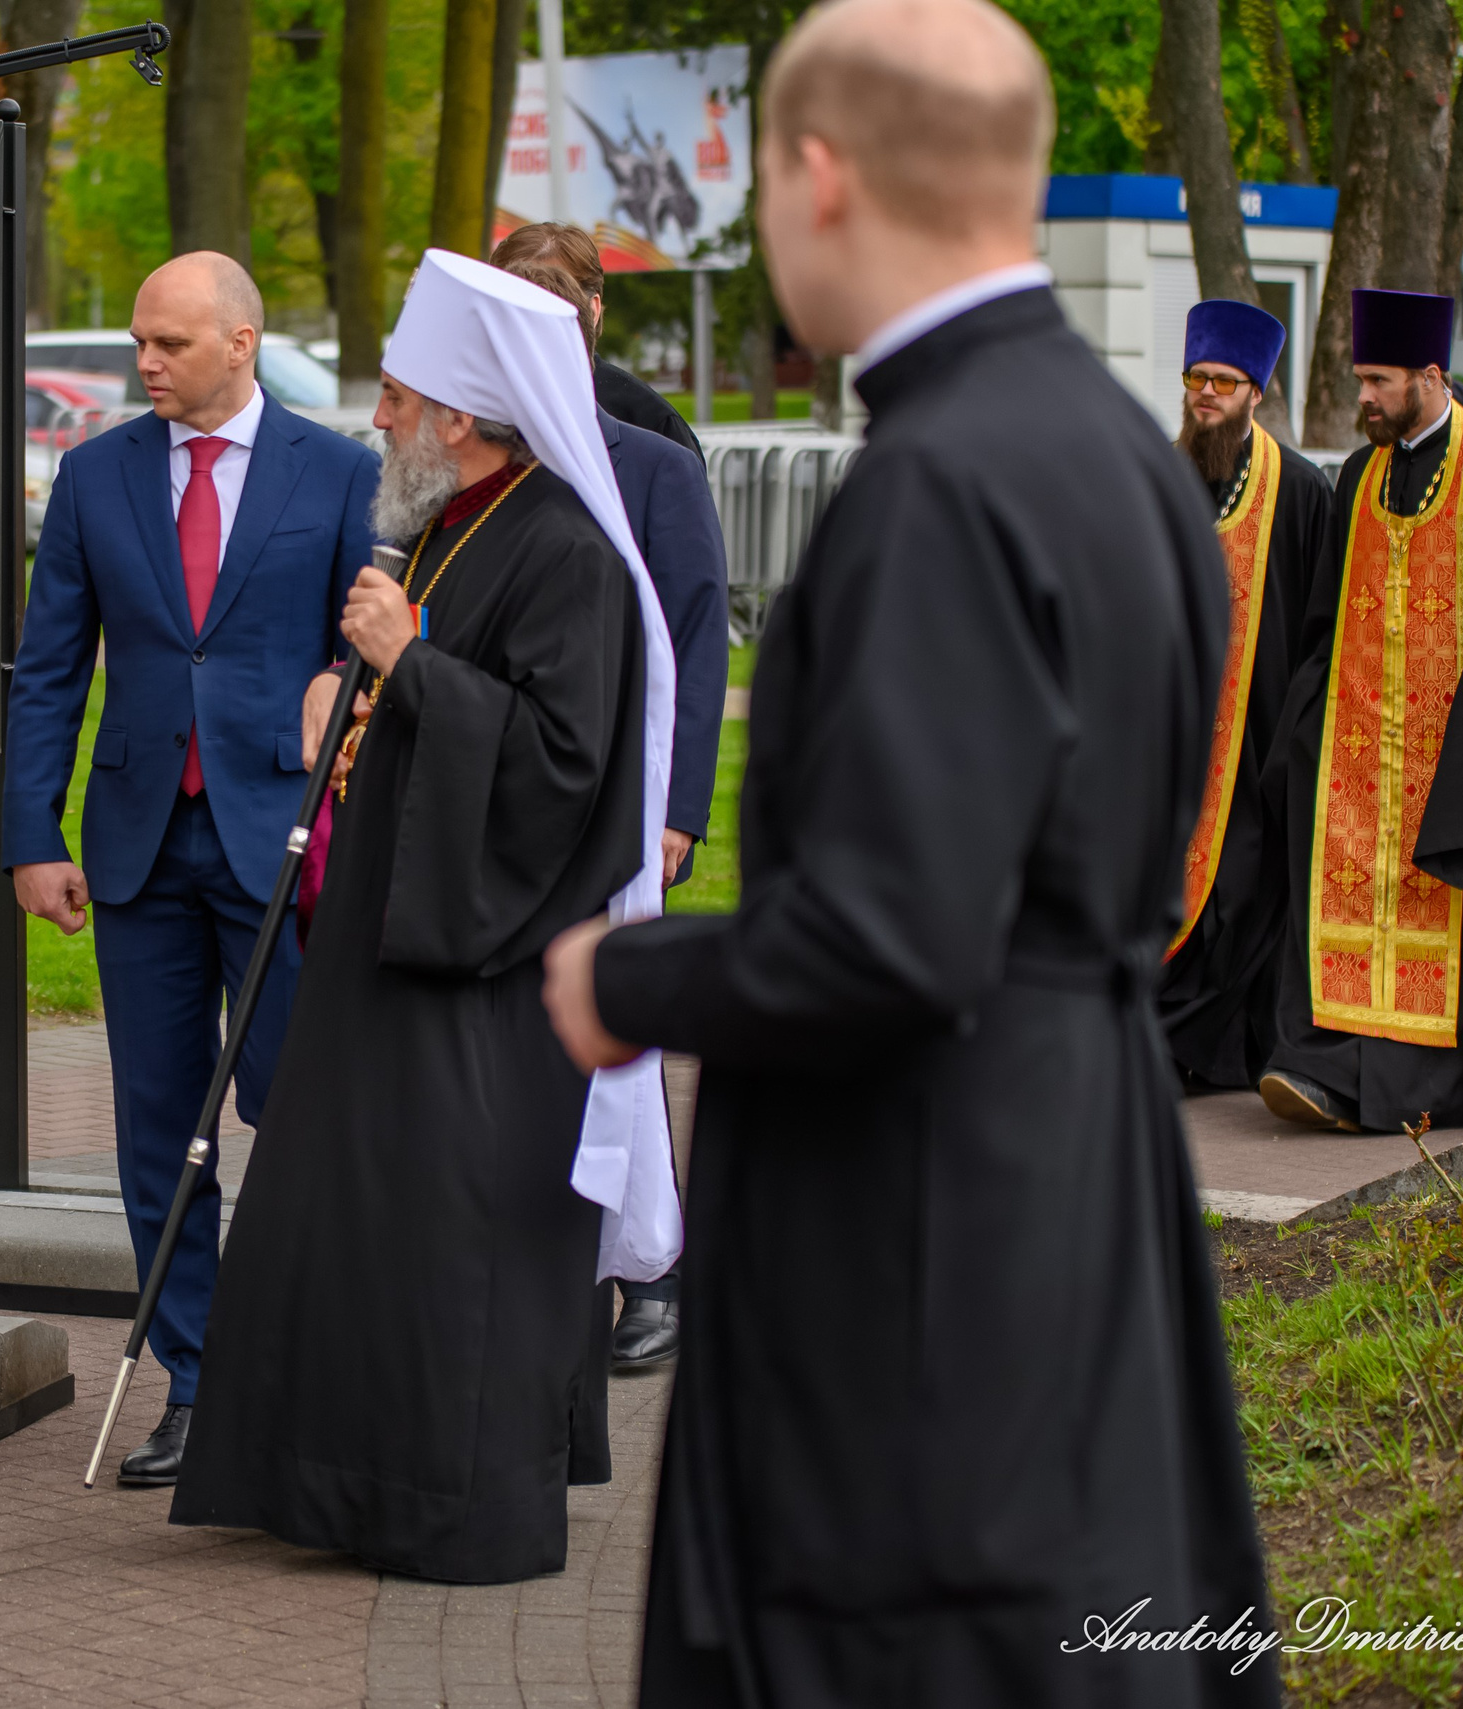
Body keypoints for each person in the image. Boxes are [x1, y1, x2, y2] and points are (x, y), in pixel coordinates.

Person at [538, 0, 1279, 1698]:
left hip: (923, 1235)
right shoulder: (1133, 461)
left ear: (817, 178)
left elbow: (892, 937)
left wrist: (629, 970)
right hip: (1083, 1170)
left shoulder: (936, 481)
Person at [170, 249, 680, 1584]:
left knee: (455, 1246)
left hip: (487, 974)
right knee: (357, 1220)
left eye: (397, 396)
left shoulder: (566, 547)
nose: (379, 419)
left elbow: (561, 768)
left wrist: (413, 666)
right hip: (396, 946)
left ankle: (445, 1507)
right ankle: (331, 1483)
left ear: (461, 413)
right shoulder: (458, 521)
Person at [3, 252, 379, 1488]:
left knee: (296, 1103)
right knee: (160, 1126)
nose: (143, 366)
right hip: (135, 851)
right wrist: (30, 834)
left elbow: (364, 665)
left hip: (280, 844)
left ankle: (307, 1362)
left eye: (166, 344)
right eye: (135, 344)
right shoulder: (97, 475)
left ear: (242, 340)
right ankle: (197, 1380)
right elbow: (50, 667)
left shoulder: (337, 474)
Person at [1255, 288, 1463, 1134]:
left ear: (1431, 377)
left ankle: (1421, 1083)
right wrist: (1305, 731)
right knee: (1338, 895)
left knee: (1446, 923)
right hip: (1361, 758)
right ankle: (1326, 1066)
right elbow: (1325, 620)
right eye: (1360, 377)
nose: (1362, 396)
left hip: (1459, 757)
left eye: (1379, 380)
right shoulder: (1359, 476)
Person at [495, 253, 731, 1371]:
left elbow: (693, 637)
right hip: (514, 785)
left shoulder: (653, 458)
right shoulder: (486, 454)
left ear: (591, 314)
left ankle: (652, 1268)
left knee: (616, 1030)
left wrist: (681, 806)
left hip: (629, 795)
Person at [1158, 299, 1337, 1091]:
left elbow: (1318, 624)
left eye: (1223, 382)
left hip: (1257, 740)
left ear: (1256, 392)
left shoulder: (1299, 492)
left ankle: (1225, 1050)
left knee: (1246, 895)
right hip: (1167, 737)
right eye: (1196, 377)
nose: (1205, 393)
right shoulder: (1156, 476)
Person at [489, 220, 701, 454]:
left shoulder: (652, 423)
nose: (528, 320)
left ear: (592, 310)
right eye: (511, 301)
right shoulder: (467, 415)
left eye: (550, 298)